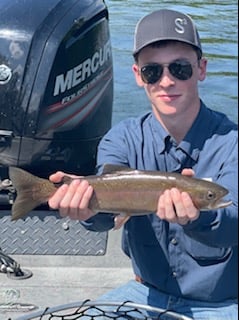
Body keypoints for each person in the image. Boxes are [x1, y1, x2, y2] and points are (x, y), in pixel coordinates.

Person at [48, 9, 238, 320]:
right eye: (153, 71)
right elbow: (104, 216)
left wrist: (197, 219)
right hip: (143, 294)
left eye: (180, 69)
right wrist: (87, 210)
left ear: (201, 69)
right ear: (138, 76)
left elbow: (234, 220)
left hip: (220, 304)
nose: (166, 81)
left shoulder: (233, 143)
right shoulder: (120, 139)